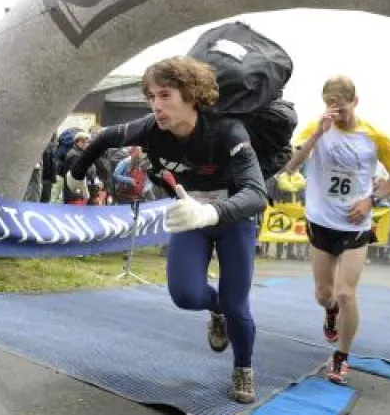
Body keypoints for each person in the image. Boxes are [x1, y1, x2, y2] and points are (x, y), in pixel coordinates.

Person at [67, 56, 268, 403]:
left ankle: (243, 367)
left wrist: (210, 212)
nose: (156, 106)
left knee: (239, 306)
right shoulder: (149, 128)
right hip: (190, 217)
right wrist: (76, 173)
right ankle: (216, 309)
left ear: (191, 94)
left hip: (232, 220)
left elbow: (256, 193)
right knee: (185, 295)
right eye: (151, 97)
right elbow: (103, 140)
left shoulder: (227, 130)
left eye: (165, 96)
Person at [282, 75, 390, 385]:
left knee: (346, 292)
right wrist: (316, 137)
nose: (336, 112)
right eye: (329, 105)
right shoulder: (317, 126)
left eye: (341, 106)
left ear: (355, 101)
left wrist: (371, 200)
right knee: (325, 295)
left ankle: (341, 357)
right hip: (322, 222)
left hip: (355, 224)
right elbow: (291, 167)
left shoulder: (376, 137)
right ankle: (330, 311)